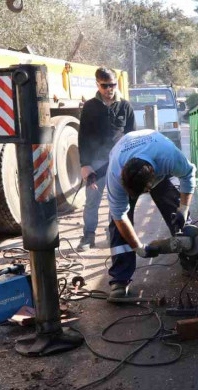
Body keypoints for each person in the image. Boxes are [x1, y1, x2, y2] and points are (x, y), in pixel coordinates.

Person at [105, 129, 196, 302]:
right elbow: (119, 216)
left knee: (173, 206)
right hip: (124, 154)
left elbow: (188, 175)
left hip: (154, 155)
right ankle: (120, 280)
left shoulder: (168, 156)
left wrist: (183, 209)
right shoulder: (115, 174)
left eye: (145, 190)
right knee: (117, 226)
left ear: (152, 179)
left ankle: (191, 261)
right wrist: (138, 247)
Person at [76, 67, 135, 252]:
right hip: (96, 164)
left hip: (118, 163)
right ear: (97, 85)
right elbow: (83, 137)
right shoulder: (89, 107)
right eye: (105, 86)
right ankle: (88, 236)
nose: (109, 89)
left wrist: (130, 163)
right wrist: (84, 165)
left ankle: (114, 233)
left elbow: (132, 136)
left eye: (112, 85)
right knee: (92, 200)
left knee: (116, 199)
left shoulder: (125, 106)